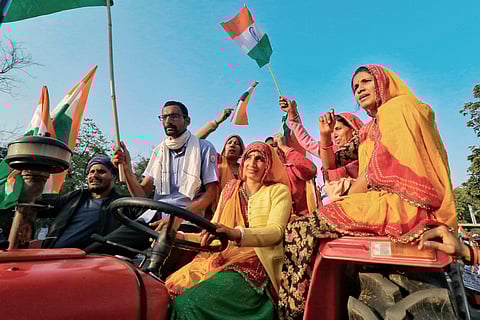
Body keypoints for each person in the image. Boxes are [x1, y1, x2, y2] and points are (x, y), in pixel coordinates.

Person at [278, 65, 457, 319]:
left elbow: (379, 170)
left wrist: (347, 194)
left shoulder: (399, 109)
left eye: (365, 81)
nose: (359, 88)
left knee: (299, 229)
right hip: (374, 199)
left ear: (383, 81)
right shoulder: (369, 129)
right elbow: (331, 162)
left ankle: (291, 314)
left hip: (401, 202)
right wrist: (325, 135)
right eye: (355, 86)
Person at [166, 142, 292, 320]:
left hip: (256, 261)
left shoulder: (278, 191)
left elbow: (276, 231)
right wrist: (179, 235)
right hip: (219, 257)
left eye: (260, 159)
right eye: (248, 157)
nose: (252, 163)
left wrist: (237, 234)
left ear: (269, 164)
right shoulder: (230, 190)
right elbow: (213, 233)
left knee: (190, 303)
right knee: (164, 293)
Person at [112, 100, 219, 277]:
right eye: (164, 117)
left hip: (186, 221)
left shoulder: (204, 148)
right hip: (152, 218)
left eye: (174, 116)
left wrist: (179, 216)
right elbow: (142, 194)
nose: (168, 121)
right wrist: (127, 167)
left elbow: (211, 193)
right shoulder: (158, 151)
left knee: (156, 273)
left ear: (187, 120)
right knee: (103, 249)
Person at [36, 154, 141, 250]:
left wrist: (127, 169)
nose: (94, 175)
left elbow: (149, 216)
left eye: (101, 171)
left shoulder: (123, 205)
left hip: (92, 264)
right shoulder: (74, 198)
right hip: (53, 258)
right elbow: (36, 206)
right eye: (91, 172)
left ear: (113, 176)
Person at [279, 98, 364, 200]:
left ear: (353, 130)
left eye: (338, 129)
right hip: (339, 205)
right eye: (331, 131)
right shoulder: (329, 152)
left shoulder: (367, 146)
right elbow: (306, 141)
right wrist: (292, 116)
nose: (334, 135)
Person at [265, 135, 317, 215]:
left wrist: (284, 147)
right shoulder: (262, 177)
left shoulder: (291, 169)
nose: (270, 150)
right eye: (266, 148)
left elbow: (311, 169)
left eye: (274, 146)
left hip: (301, 220)